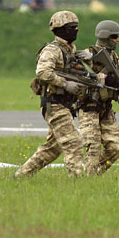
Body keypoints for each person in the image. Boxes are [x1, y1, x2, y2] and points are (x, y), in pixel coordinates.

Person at [14, 11, 87, 178]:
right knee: (74, 143)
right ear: (60, 29)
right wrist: (65, 84)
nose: (75, 30)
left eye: (76, 27)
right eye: (71, 27)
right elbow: (42, 72)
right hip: (54, 104)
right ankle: (76, 183)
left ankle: (21, 176)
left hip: (65, 104)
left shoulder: (70, 50)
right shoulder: (52, 50)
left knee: (53, 148)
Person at [77, 20, 119, 176]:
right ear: (105, 36)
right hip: (89, 106)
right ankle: (86, 180)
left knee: (115, 149)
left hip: (106, 108)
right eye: (115, 36)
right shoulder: (87, 54)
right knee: (93, 147)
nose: (117, 40)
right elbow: (81, 77)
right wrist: (104, 79)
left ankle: (91, 175)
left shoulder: (113, 56)